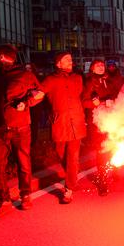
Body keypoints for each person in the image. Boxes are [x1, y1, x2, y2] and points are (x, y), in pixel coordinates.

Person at [0, 45, 44, 219]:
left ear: (2, 57)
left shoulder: (25, 75)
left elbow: (39, 93)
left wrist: (26, 102)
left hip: (21, 126)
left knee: (23, 163)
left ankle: (25, 195)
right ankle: (3, 200)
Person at [41, 52, 88, 204]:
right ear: (58, 64)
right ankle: (72, 174)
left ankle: (69, 189)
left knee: (72, 157)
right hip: (60, 123)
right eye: (66, 59)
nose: (70, 61)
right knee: (61, 154)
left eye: (71, 59)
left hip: (77, 123)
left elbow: (79, 95)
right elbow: (39, 94)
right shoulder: (50, 80)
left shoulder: (77, 78)